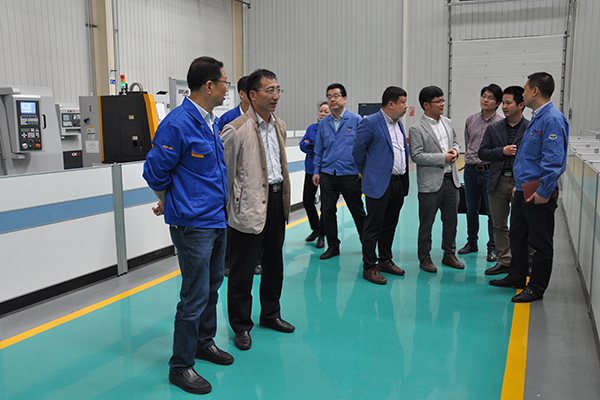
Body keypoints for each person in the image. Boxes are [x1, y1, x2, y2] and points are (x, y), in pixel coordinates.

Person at [143, 56, 233, 395]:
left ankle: (203, 342)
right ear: (209, 86)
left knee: (211, 287)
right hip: (193, 225)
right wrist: (171, 200)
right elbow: (154, 172)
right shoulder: (178, 124)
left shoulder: (210, 122)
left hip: (216, 218)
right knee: (194, 295)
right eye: (224, 83)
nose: (227, 89)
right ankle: (180, 366)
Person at [221, 69, 294, 351]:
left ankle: (270, 314)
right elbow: (226, 176)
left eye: (278, 90)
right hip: (248, 206)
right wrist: (229, 210)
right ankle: (241, 325)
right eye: (269, 90)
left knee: (274, 264)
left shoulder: (279, 126)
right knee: (242, 270)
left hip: (276, 201)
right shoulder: (236, 129)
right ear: (252, 95)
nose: (276, 96)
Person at [490, 72, 568, 302]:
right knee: (518, 235)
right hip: (524, 189)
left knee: (540, 243)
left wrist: (544, 191)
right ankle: (517, 276)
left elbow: (553, 160)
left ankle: (536, 287)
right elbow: (529, 158)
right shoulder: (537, 117)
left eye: (525, 89)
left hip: (539, 192)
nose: (522, 93)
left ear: (535, 91)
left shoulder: (552, 119)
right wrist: (520, 185)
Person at [353, 86, 410, 285]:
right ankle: (369, 266)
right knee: (373, 227)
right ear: (391, 104)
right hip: (378, 183)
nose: (406, 106)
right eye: (403, 102)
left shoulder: (398, 124)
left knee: (390, 225)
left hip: (398, 182)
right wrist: (369, 172)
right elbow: (357, 151)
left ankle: (385, 260)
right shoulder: (370, 122)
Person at [409, 86, 465, 273]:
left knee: (451, 221)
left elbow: (455, 141)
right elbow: (417, 155)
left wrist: (455, 150)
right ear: (426, 105)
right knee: (427, 223)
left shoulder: (447, 122)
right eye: (438, 101)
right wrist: (443, 158)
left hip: (451, 181)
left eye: (443, 100)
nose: (442, 104)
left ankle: (449, 253)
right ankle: (424, 257)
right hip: (430, 184)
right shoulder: (416, 129)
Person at [478, 86, 528, 276]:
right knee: (499, 224)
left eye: (508, 103)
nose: (504, 107)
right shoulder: (494, 128)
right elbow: (482, 153)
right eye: (504, 103)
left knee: (524, 225)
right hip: (497, 182)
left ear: (521, 105)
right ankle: (504, 261)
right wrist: (502, 151)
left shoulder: (531, 128)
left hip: (520, 183)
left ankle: (528, 261)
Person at [312, 83, 366, 260]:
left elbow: (364, 146)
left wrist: (362, 168)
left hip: (350, 174)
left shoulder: (356, 120)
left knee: (357, 211)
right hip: (328, 173)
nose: (332, 99)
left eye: (336, 96)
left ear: (344, 98)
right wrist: (316, 171)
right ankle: (333, 246)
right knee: (327, 212)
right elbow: (318, 149)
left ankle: (367, 244)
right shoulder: (324, 123)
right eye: (329, 96)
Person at [458, 84, 504, 262]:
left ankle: (492, 247)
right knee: (471, 209)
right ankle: (472, 242)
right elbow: (468, 142)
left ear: (498, 103)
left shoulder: (501, 122)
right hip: (470, 170)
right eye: (484, 96)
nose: (485, 100)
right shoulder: (471, 120)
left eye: (490, 98)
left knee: (492, 211)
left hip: (489, 171)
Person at [300, 101, 330, 249]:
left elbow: (328, 148)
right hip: (311, 170)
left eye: (326, 111)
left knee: (325, 205)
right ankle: (316, 228)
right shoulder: (312, 128)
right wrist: (315, 146)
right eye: (321, 111)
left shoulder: (332, 130)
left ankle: (322, 235)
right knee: (307, 200)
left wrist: (312, 145)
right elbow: (302, 145)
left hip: (326, 172)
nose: (322, 114)